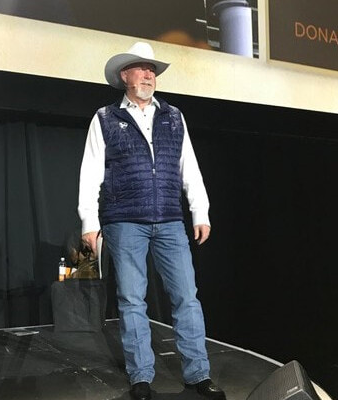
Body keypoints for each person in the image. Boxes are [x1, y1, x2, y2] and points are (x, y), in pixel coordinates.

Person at [78, 42, 226, 400]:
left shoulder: (173, 115)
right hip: (124, 221)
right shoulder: (105, 118)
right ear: (124, 76)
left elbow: (188, 166)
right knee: (131, 300)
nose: (149, 74)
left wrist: (200, 211)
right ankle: (141, 376)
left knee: (186, 298)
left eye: (152, 70)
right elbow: (91, 172)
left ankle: (198, 375)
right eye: (141, 68)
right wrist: (89, 221)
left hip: (170, 221)